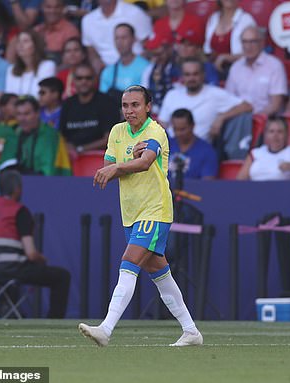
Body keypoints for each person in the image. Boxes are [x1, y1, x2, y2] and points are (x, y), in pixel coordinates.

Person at [78, 85, 203, 347]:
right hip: (131, 213)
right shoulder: (117, 132)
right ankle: (191, 331)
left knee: (129, 261)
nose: (129, 110)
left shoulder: (155, 131)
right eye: (125, 105)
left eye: (135, 105)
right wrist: (122, 164)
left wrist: (122, 165)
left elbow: (145, 162)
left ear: (148, 107)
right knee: (160, 273)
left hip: (155, 209)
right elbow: (109, 170)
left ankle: (106, 328)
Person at [0, 169, 71, 318]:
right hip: (9, 269)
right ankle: (54, 320)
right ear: (17, 189)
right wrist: (42, 260)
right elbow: (31, 254)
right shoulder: (19, 211)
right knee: (62, 276)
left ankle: (5, 311)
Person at [158, 58, 251, 142]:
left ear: (203, 75)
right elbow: (163, 123)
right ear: (182, 77)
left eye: (195, 74)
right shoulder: (172, 95)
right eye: (187, 75)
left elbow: (247, 106)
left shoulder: (215, 94)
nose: (191, 78)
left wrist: (221, 117)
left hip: (201, 150)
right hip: (171, 148)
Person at [0, 96, 72, 175]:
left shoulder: (49, 135)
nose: (22, 119)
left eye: (27, 114)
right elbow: (3, 168)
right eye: (18, 114)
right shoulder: (15, 134)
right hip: (23, 182)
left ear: (37, 113)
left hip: (55, 183)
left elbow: (47, 173)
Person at [236, 116, 290, 181]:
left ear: (286, 135)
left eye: (280, 132)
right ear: (266, 135)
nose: (275, 136)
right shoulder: (255, 153)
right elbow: (239, 181)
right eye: (271, 131)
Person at [225, 26, 288, 116]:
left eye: (252, 42)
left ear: (262, 43)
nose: (248, 46)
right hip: (239, 120)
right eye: (245, 42)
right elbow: (229, 101)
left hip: (266, 121)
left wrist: (254, 120)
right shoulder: (235, 67)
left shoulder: (274, 66)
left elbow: (275, 105)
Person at [60, 63, 121, 154]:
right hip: (71, 159)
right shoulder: (67, 104)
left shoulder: (107, 103)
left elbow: (110, 139)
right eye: (79, 78)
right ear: (74, 80)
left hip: (99, 157)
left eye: (88, 78)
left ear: (95, 80)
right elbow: (61, 137)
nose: (83, 81)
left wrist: (81, 149)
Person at [81, 0, 152, 73]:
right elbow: (91, 52)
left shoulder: (135, 13)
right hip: (105, 72)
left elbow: (149, 46)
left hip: (137, 70)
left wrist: (137, 68)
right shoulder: (87, 20)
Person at [203, 0, 256, 76]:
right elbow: (207, 50)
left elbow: (254, 53)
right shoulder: (213, 18)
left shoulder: (246, 20)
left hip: (239, 70)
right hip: (213, 69)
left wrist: (227, 57)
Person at [99, 23, 151, 100]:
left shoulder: (146, 67)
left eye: (124, 37)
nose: (119, 42)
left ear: (133, 39)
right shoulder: (108, 71)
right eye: (117, 38)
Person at [168, 108, 218, 182]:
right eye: (175, 129)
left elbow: (208, 184)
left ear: (192, 126)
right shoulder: (165, 145)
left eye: (182, 129)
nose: (178, 133)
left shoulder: (207, 151)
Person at [4, 30, 56, 97]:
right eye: (18, 41)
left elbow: (44, 96)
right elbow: (9, 96)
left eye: (25, 41)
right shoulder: (11, 69)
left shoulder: (47, 66)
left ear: (36, 45)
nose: (20, 45)